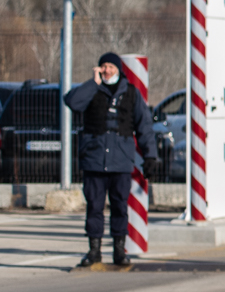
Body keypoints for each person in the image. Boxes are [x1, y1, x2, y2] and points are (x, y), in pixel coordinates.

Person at [62, 53, 158, 269]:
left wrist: (150, 156)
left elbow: (144, 127)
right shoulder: (91, 90)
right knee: (94, 207)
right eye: (103, 67)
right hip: (94, 160)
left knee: (119, 207)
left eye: (110, 67)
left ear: (118, 69)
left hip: (121, 161)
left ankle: (119, 250)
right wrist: (92, 83)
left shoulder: (131, 93)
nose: (106, 70)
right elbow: (72, 102)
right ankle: (94, 250)